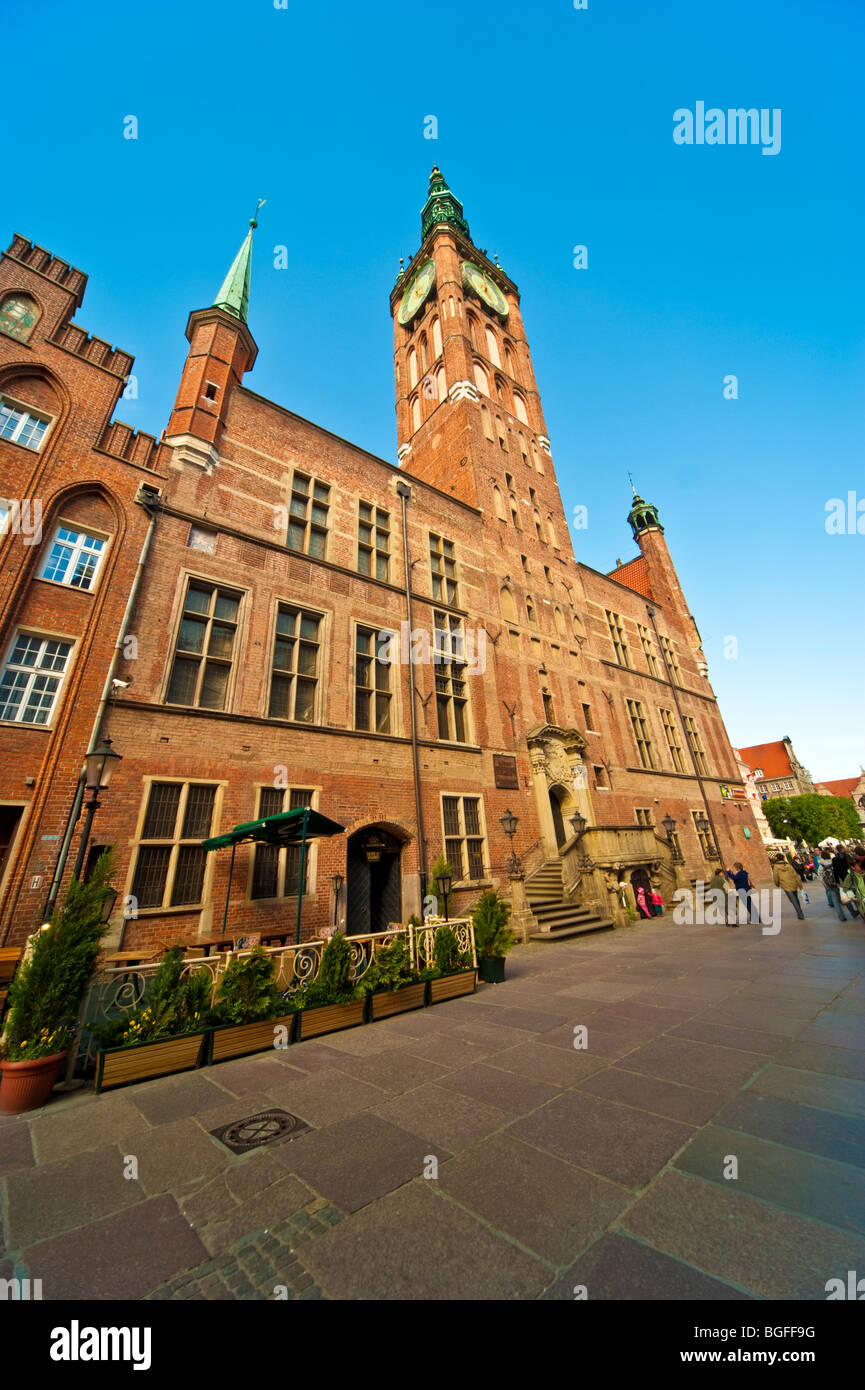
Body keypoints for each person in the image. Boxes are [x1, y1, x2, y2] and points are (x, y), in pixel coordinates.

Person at [819, 850, 857, 922]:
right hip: (839, 883)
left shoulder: (821, 865)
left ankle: (841, 916)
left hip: (830, 884)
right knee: (845, 898)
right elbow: (838, 871)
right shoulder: (834, 861)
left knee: (835, 901)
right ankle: (853, 912)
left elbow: (820, 877)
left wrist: (826, 885)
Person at [772, 854, 805, 920]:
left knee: (792, 900)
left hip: (785, 884)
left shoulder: (776, 866)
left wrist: (777, 883)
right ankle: (799, 912)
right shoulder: (788, 865)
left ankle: (800, 914)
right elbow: (795, 874)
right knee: (795, 898)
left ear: (777, 858)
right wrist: (799, 884)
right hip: (793, 883)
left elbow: (775, 876)